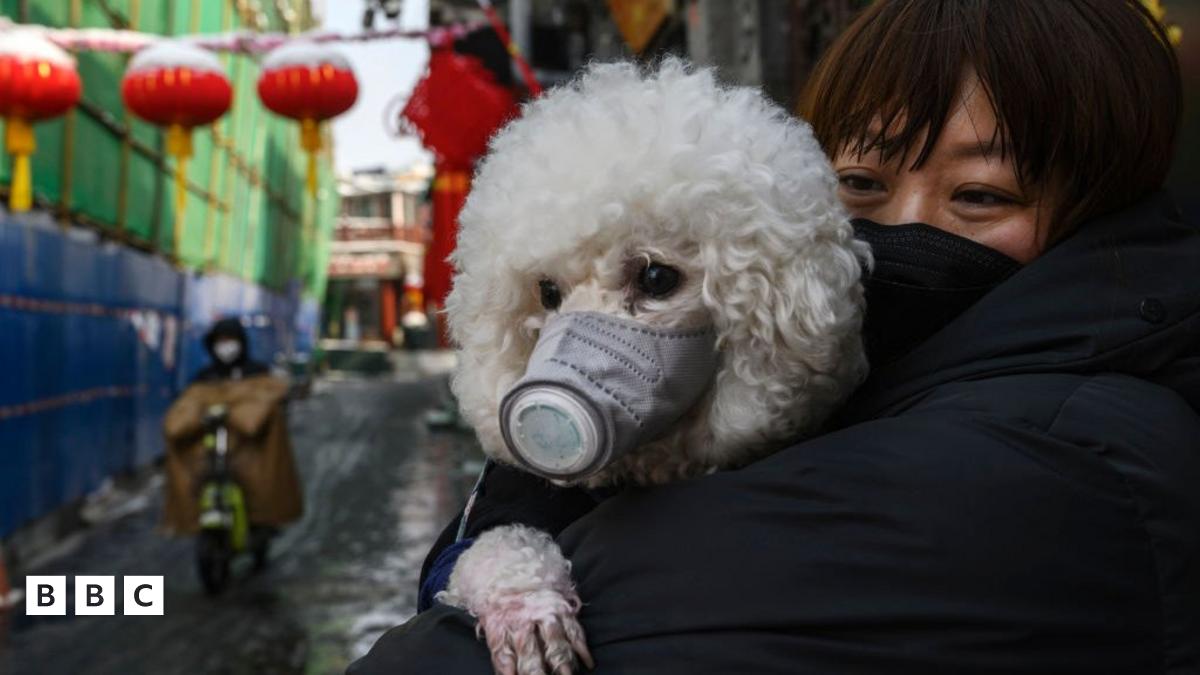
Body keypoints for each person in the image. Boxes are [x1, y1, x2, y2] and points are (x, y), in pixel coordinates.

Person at [350, 1, 1199, 672]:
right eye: (860, 182)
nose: (906, 223)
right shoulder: (884, 382)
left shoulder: (1060, 457)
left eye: (980, 195)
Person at [162, 317, 303, 541]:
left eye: (230, 340)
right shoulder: (205, 377)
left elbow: (265, 404)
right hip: (212, 445)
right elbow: (184, 413)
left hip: (248, 446)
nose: (226, 347)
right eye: (221, 341)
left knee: (261, 478)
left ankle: (262, 523)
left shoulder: (257, 372)